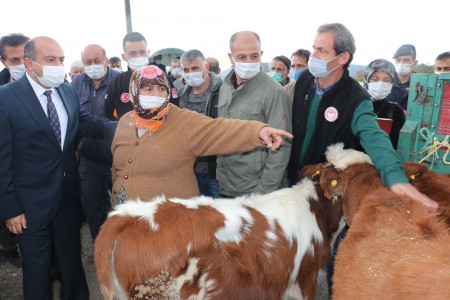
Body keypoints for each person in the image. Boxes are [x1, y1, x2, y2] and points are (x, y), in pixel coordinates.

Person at [286, 23, 438, 296]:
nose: (314, 56)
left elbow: (374, 137)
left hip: (325, 190)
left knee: (320, 251)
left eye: (321, 50)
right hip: (293, 179)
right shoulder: (305, 82)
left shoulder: (356, 99)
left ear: (342, 58)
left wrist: (395, 178)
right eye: (313, 48)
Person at [0, 36, 117, 299]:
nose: (58, 65)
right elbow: (2, 159)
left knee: (70, 260)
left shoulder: (67, 90)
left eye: (61, 59)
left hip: (66, 195)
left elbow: (87, 123)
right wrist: (10, 209)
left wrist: (127, 127)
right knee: (38, 268)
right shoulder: (6, 98)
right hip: (29, 204)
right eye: (50, 59)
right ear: (29, 63)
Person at [110, 65, 292, 205]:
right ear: (134, 92)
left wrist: (258, 132)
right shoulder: (126, 121)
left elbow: (220, 130)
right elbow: (117, 168)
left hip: (168, 225)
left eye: (162, 89)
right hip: (126, 219)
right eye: (148, 90)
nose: (157, 95)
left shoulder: (183, 121)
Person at [217, 31, 292, 197]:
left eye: (254, 56)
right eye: (242, 57)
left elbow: (281, 147)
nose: (249, 62)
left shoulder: (274, 92)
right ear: (231, 57)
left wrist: (261, 194)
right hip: (226, 185)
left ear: (262, 54)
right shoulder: (225, 87)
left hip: (255, 191)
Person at [71, 44, 120, 261]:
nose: (93, 66)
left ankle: (123, 244)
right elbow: (72, 120)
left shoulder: (120, 81)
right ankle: (99, 244)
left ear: (106, 60)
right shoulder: (76, 84)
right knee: (92, 204)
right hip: (88, 157)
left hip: (117, 157)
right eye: (88, 62)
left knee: (122, 202)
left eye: (97, 61)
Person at [0, 33, 29, 268]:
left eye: (24, 58)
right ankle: (9, 247)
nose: (21, 64)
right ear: (4, 61)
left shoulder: (56, 84)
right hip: (10, 177)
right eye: (14, 60)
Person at [105, 32, 178, 120]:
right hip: (129, 132)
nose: (138, 56)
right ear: (124, 56)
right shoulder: (117, 82)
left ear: (148, 53)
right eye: (132, 53)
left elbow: (175, 109)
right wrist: (123, 129)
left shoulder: (164, 79)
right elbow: (108, 114)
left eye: (142, 52)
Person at [178, 49, 222, 198]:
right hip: (191, 171)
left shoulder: (222, 91)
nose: (191, 73)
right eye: (186, 70)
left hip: (216, 171)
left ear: (206, 67)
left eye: (195, 68)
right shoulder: (181, 95)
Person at [364, 59, 405, 149]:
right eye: (375, 79)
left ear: (392, 83)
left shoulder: (396, 111)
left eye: (386, 80)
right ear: (367, 81)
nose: (380, 84)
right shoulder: (355, 105)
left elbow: (396, 146)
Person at [387, 44, 418, 110]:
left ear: (415, 63)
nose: (401, 63)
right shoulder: (386, 80)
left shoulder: (420, 83)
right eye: (398, 60)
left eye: (406, 60)